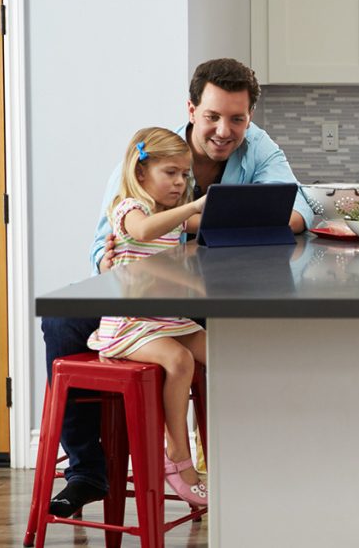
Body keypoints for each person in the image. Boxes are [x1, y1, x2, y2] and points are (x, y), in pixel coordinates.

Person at [41, 58, 313, 517]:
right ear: (191, 109)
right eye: (212, 116)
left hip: (210, 296)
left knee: (248, 344)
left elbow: (300, 212)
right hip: (140, 298)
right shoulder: (148, 156)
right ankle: (88, 470)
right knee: (61, 320)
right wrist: (110, 256)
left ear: (250, 118)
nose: (224, 130)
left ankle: (253, 463)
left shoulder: (259, 148)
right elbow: (107, 241)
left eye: (237, 119)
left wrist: (195, 220)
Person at [86, 127, 210, 505]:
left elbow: (200, 226)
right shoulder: (129, 209)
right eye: (170, 173)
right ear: (141, 173)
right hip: (131, 323)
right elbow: (141, 232)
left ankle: (232, 450)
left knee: (226, 350)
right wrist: (190, 207)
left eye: (184, 175)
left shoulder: (169, 215)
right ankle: (177, 453)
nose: (179, 182)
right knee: (180, 359)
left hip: (165, 320)